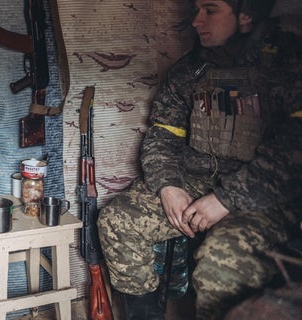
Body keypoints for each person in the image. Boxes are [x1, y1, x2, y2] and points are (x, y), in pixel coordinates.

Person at [97, 0, 302, 319]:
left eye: (210, 10)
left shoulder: (289, 64)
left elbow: (294, 152)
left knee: (219, 263)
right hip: (195, 180)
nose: (195, 21)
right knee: (117, 221)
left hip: (262, 196)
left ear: (245, 15)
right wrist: (168, 186)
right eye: (195, 10)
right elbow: (163, 132)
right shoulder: (191, 68)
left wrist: (225, 199)